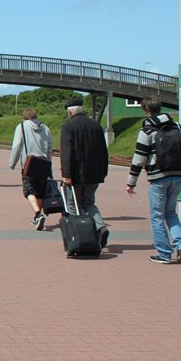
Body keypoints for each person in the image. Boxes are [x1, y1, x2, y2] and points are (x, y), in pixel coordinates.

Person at [126, 97, 181, 264]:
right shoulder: (176, 126)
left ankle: (164, 254)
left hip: (159, 177)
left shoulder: (147, 130)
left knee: (157, 216)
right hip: (177, 174)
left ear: (146, 110)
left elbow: (139, 159)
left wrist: (131, 182)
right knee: (170, 213)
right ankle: (180, 244)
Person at [59, 96, 110, 248]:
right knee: (89, 202)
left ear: (70, 112)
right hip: (95, 173)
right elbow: (103, 151)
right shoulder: (95, 125)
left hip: (76, 175)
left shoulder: (68, 126)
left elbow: (67, 153)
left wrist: (66, 175)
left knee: (72, 204)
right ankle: (100, 227)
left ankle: (78, 234)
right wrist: (103, 171)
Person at [7, 108, 53, 230]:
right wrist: (49, 166)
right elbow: (49, 149)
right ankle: (36, 217)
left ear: (24, 117)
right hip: (44, 164)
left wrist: (12, 163)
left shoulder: (22, 126)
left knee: (29, 191)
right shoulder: (46, 128)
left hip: (29, 163)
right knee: (40, 193)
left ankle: (38, 214)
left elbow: (17, 146)